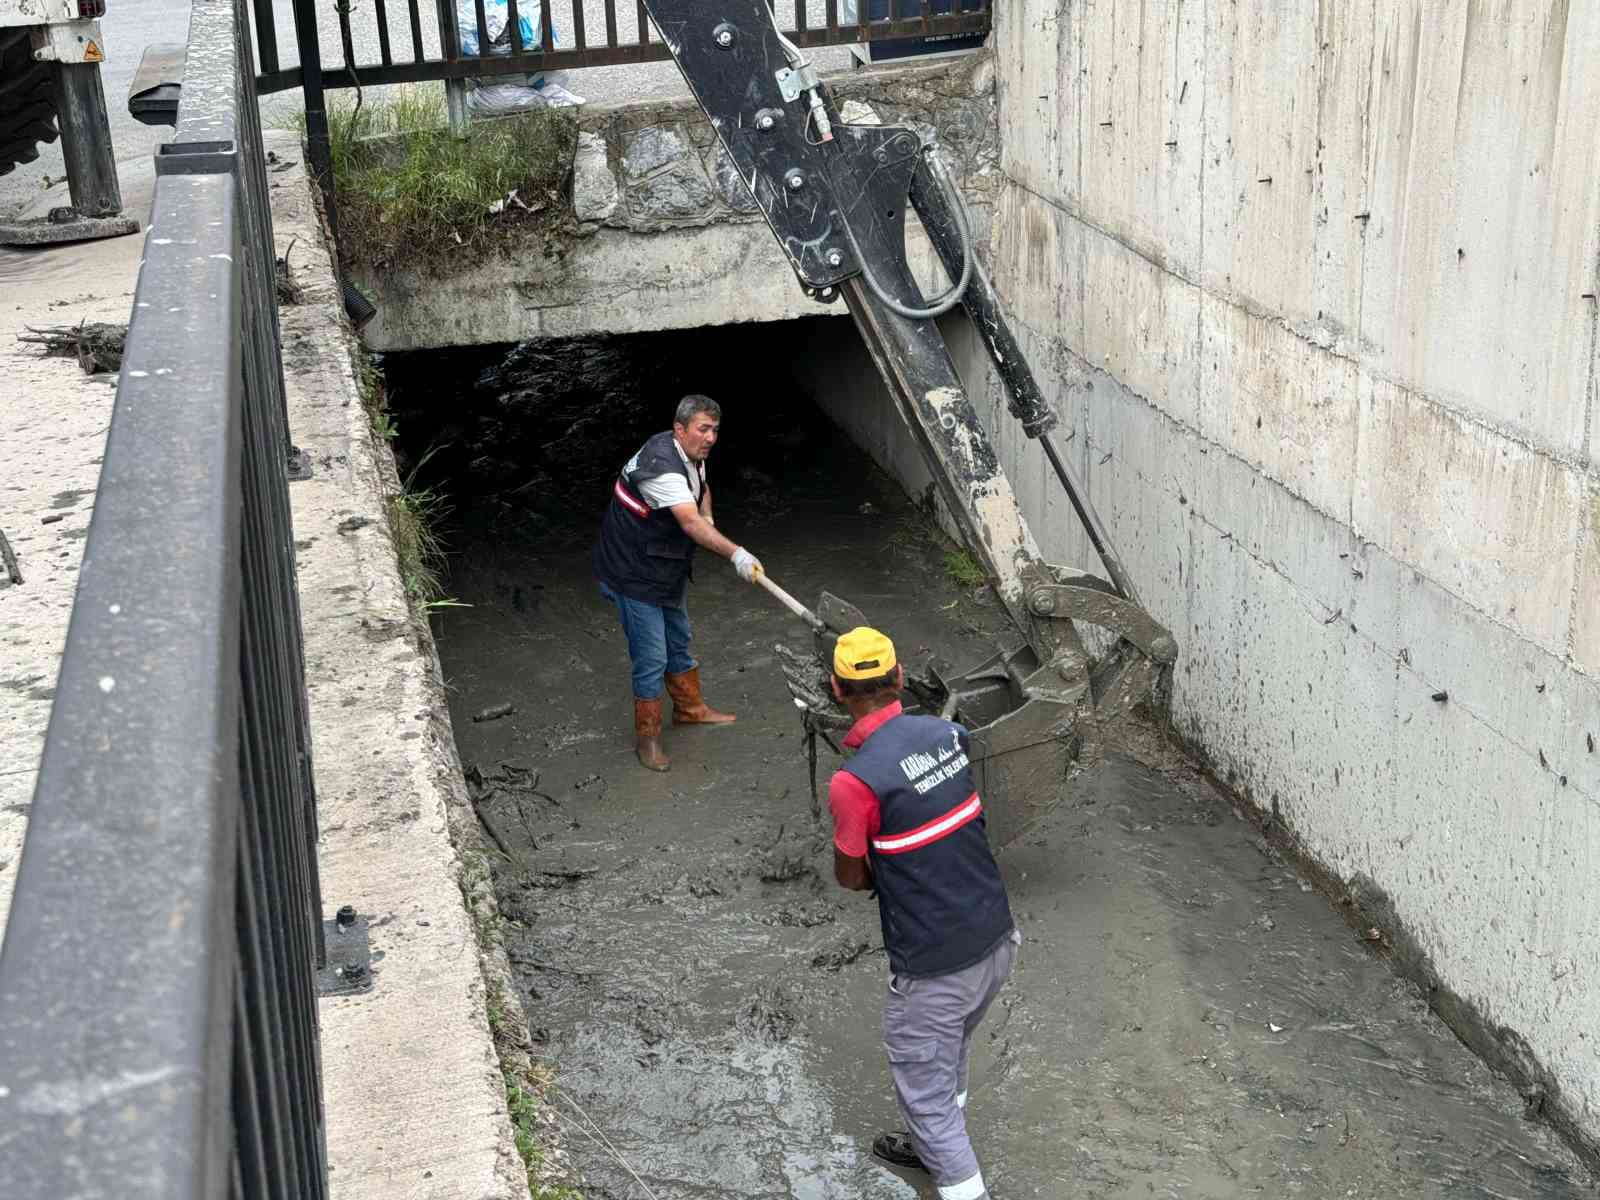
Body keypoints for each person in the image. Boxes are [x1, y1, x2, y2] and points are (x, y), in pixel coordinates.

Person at [827, 626, 1019, 1200]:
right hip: (997, 938)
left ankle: (953, 1169)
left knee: (927, 1092)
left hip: (936, 970)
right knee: (949, 1050)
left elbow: (849, 875)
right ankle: (928, 1144)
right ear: (901, 677)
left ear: (836, 689)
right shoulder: (948, 734)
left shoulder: (853, 782)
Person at [592, 394, 763, 772]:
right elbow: (688, 522)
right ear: (680, 429)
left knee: (679, 637)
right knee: (652, 656)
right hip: (633, 572)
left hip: (664, 564)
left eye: (715, 430)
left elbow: (700, 488)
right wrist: (736, 554)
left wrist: (708, 518)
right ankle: (648, 738)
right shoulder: (662, 470)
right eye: (703, 429)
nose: (711, 438)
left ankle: (689, 709)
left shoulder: (688, 451)